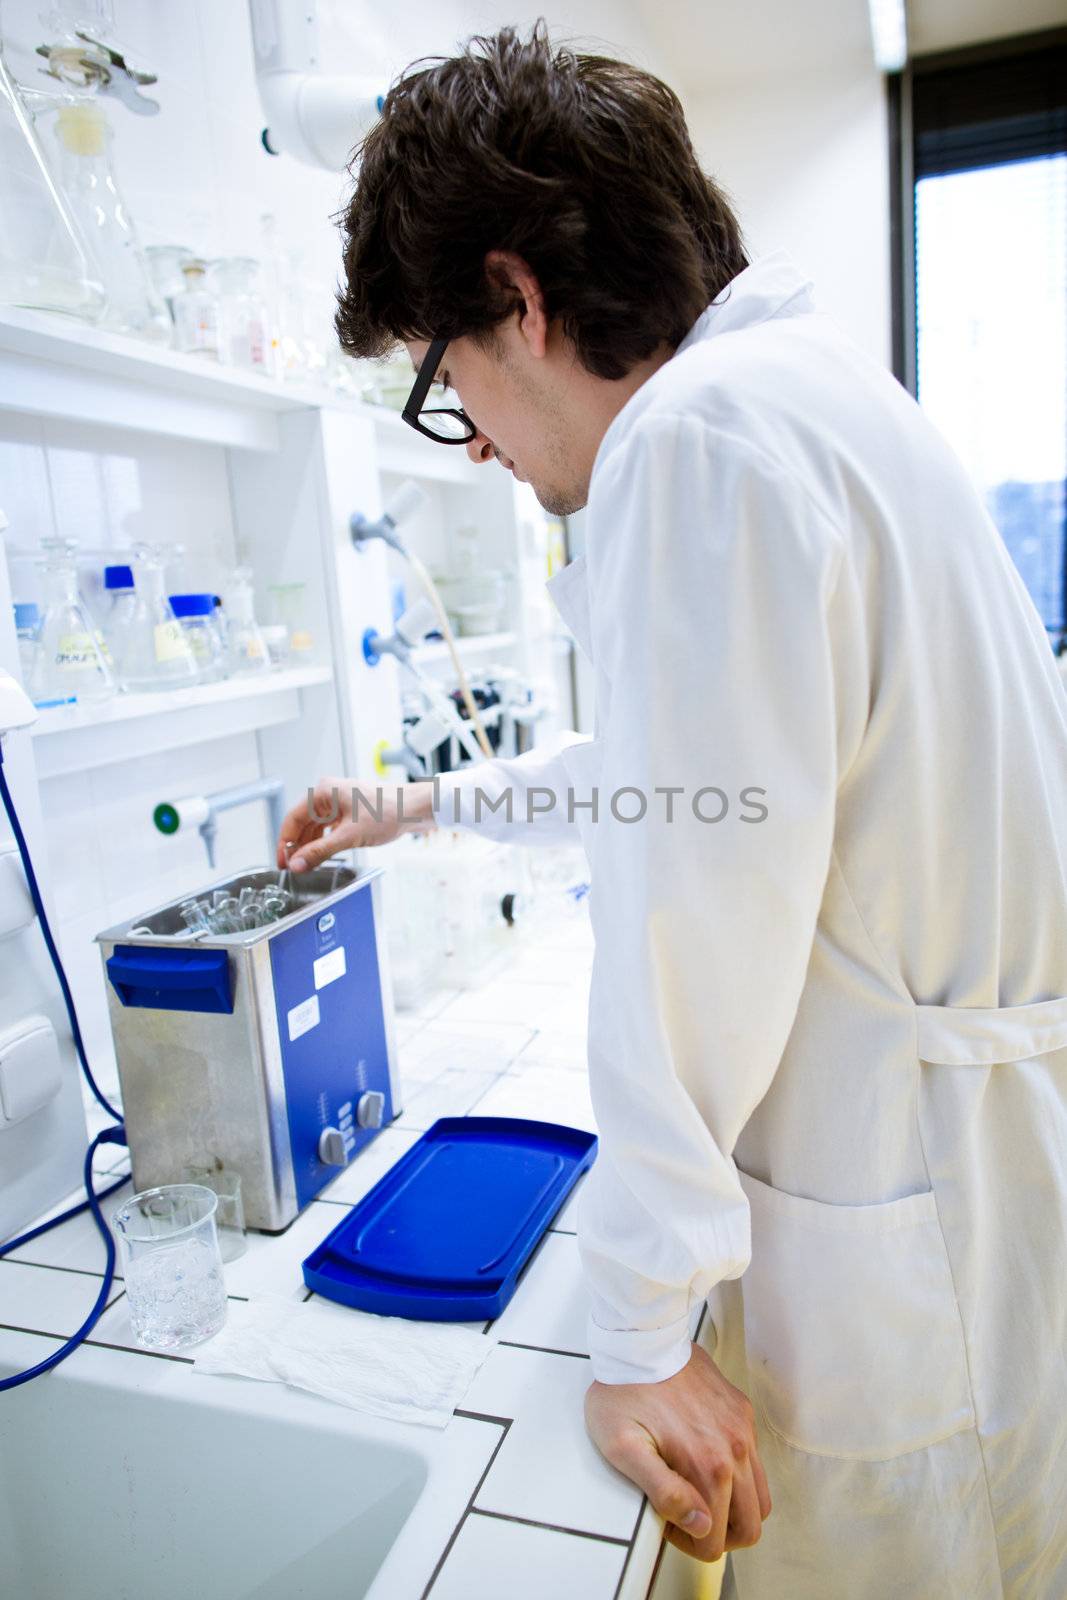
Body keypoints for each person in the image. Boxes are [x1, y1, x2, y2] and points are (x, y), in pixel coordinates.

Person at [276, 23, 1067, 1597]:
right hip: (968, 1185)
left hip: (901, 1230)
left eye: (449, 388)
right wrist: (412, 799)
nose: (484, 451)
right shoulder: (803, 398)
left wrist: (637, 1328)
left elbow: (687, 916)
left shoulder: (696, 443)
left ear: (517, 297)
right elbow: (693, 773)